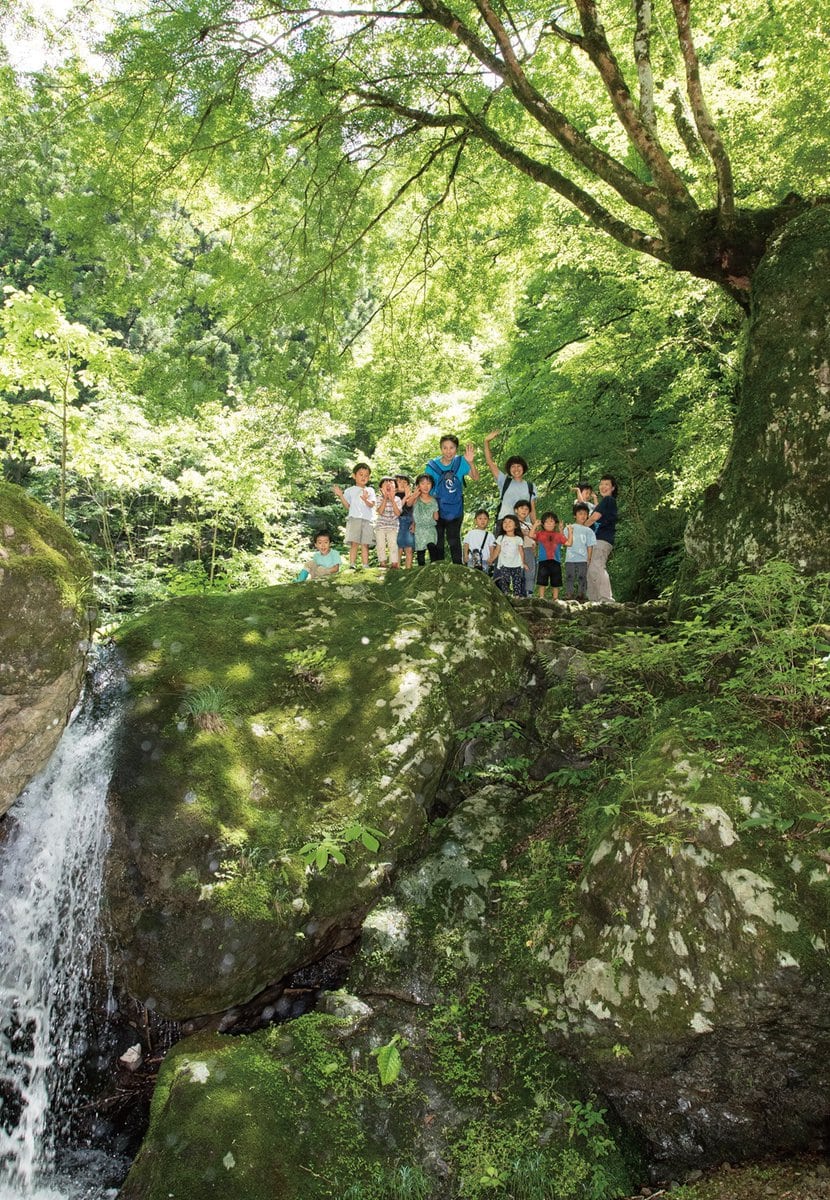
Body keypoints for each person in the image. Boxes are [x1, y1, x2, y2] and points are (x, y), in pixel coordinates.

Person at [424, 435, 479, 564]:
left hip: (456, 507)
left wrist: (471, 462)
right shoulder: (431, 466)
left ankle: (457, 570)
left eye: (452, 448)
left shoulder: (461, 462)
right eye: (445, 448)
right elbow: (426, 489)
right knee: (438, 540)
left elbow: (476, 478)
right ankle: (437, 569)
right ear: (441, 448)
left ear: (456, 449)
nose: (448, 451)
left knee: (454, 539)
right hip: (436, 508)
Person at [483, 430, 537, 531]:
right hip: (505, 523)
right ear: (509, 469)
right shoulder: (504, 481)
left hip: (525, 526)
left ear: (523, 468)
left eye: (519, 466)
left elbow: (532, 510)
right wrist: (486, 442)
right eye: (513, 466)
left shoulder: (531, 486)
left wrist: (535, 528)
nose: (516, 469)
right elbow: (490, 462)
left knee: (526, 547)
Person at [333, 462, 376, 569]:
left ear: (369, 477)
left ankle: (365, 565)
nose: (363, 477)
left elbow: (372, 505)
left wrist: (366, 499)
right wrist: (340, 495)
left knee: (365, 543)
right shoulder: (349, 491)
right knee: (354, 543)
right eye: (361, 474)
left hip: (367, 520)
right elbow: (348, 506)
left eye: (366, 475)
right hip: (354, 518)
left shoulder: (370, 490)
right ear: (354, 476)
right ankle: (352, 564)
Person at [586, 475, 619, 602]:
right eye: (601, 484)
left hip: (602, 539)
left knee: (597, 566)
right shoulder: (604, 502)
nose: (603, 487)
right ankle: (593, 600)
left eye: (606, 484)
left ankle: (606, 599)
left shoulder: (608, 500)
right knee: (590, 569)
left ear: (612, 488)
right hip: (596, 539)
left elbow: (594, 518)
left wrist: (580, 527)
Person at [563, 502, 596, 600]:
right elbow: (564, 541)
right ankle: (569, 594)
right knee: (570, 576)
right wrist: (565, 531)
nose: (583, 516)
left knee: (582, 577)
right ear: (575, 515)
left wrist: (589, 558)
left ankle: (581, 594)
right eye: (580, 513)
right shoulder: (569, 528)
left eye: (585, 514)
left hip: (583, 558)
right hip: (570, 558)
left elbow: (590, 546)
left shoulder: (589, 531)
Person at [406, 473, 440, 565]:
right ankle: (421, 572)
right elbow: (408, 504)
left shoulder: (433, 500)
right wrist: (414, 495)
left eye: (428, 483)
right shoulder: (416, 499)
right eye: (422, 483)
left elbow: (436, 517)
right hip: (419, 530)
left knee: (432, 549)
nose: (425, 486)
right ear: (418, 485)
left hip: (430, 529)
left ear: (432, 485)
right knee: (420, 553)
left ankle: (434, 570)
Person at [533, 512, 567, 600]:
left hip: (556, 560)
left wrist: (561, 530)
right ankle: (541, 597)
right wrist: (535, 525)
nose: (549, 523)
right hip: (543, 560)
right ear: (543, 524)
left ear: (555, 523)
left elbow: (566, 541)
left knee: (556, 581)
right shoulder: (540, 533)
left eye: (551, 521)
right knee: (542, 580)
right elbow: (530, 535)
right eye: (546, 522)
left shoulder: (558, 535)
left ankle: (555, 598)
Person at [490, 514, 526, 596]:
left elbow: (521, 551)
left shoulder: (518, 539)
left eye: (510, 522)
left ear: (516, 525)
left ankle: (517, 596)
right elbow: (497, 550)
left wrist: (523, 562)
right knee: (504, 580)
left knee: (517, 581)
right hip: (504, 564)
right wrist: (491, 559)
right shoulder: (501, 537)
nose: (507, 524)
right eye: (504, 522)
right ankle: (506, 594)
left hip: (516, 564)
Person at [374, 477, 403, 568]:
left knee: (393, 544)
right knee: (380, 544)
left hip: (393, 526)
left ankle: (394, 563)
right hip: (381, 526)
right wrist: (385, 498)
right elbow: (380, 512)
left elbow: (398, 513)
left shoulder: (397, 499)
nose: (388, 485)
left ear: (396, 489)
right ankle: (382, 563)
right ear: (381, 489)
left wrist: (392, 499)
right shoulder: (379, 498)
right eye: (385, 484)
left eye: (391, 484)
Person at [514, 499, 537, 597]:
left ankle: (529, 593)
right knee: (519, 572)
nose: (524, 511)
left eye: (527, 509)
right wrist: (529, 533)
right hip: (517, 549)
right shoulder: (512, 522)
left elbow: (535, 537)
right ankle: (519, 592)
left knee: (530, 572)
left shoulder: (530, 525)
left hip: (529, 549)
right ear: (516, 510)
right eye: (521, 508)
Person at [395, 474, 415, 569]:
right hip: (396, 522)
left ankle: (408, 569)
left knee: (409, 547)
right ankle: (396, 568)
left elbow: (415, 510)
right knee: (397, 548)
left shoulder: (411, 496)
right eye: (399, 481)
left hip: (409, 521)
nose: (402, 484)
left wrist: (414, 523)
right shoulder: (392, 495)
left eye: (405, 482)